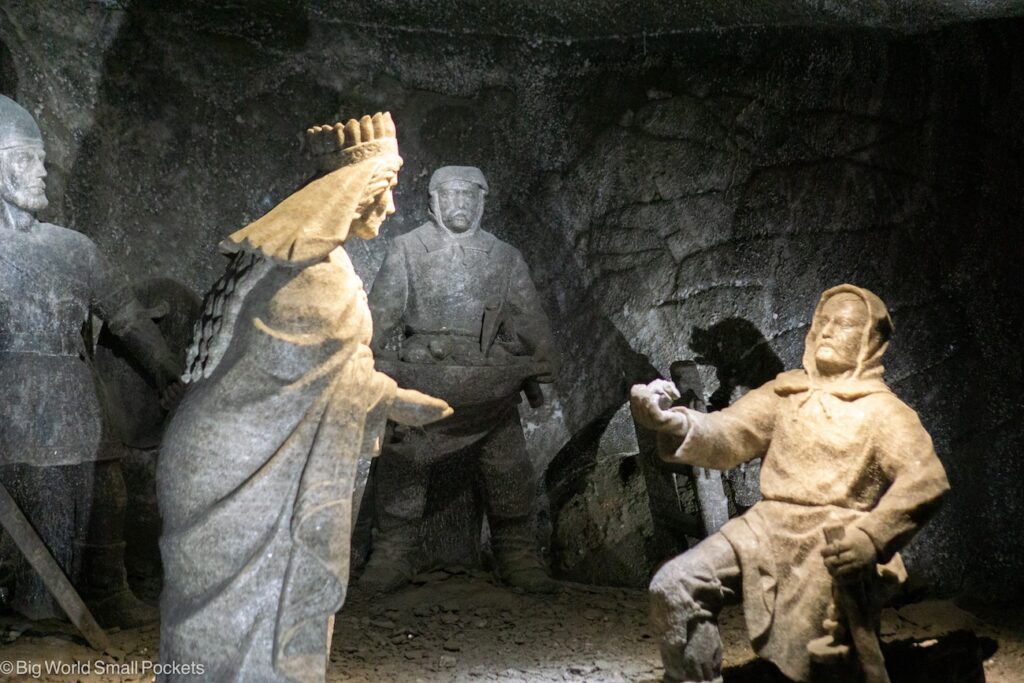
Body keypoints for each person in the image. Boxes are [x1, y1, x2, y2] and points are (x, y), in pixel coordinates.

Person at [157, 113, 451, 683]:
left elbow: (324, 369)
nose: (389, 208)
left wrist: (386, 394)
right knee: (234, 623)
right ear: (351, 192)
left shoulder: (296, 261)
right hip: (241, 470)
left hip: (232, 460)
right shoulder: (313, 277)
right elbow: (306, 374)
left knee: (227, 625)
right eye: (384, 192)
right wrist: (396, 399)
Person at [630, 284, 949, 683]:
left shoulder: (883, 412)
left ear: (870, 340)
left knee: (816, 657)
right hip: (766, 527)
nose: (829, 331)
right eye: (824, 322)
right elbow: (727, 433)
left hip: (834, 540)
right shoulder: (786, 393)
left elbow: (926, 479)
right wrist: (670, 420)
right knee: (675, 587)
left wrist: (870, 537)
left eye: (845, 324)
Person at [0, 94, 180, 626]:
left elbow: (126, 317)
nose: (41, 174)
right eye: (24, 160)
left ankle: (106, 592)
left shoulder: (75, 249)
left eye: (42, 160)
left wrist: (166, 370)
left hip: (75, 401)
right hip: (8, 403)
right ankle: (36, 604)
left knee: (109, 497)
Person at [362, 165, 559, 593]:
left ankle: (515, 547)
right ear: (432, 202)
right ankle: (394, 547)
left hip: (487, 383)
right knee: (404, 460)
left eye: (470, 195)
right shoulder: (407, 249)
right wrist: (364, 355)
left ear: (483, 202)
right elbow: (380, 313)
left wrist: (543, 354)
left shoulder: (504, 257)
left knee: (507, 463)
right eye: (450, 195)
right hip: (421, 380)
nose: (460, 203)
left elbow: (528, 314)